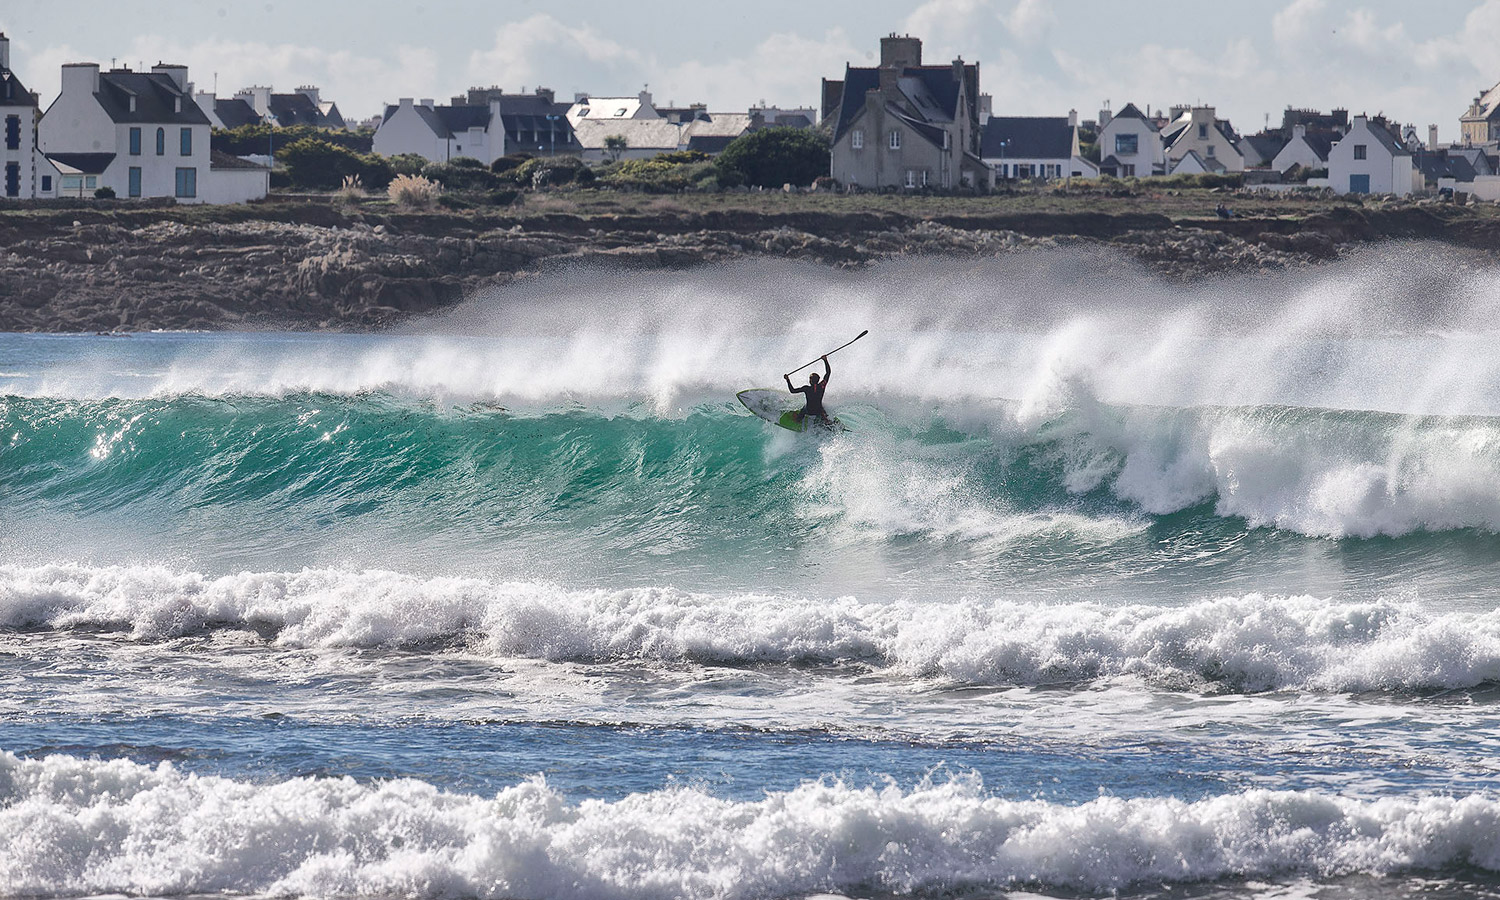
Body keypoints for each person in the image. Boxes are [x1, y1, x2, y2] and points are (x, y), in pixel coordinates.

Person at [785, 355, 831, 426]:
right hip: (818, 411)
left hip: (809, 411)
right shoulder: (822, 386)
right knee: (821, 408)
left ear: (810, 381)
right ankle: (825, 420)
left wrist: (787, 380)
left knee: (804, 408)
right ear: (818, 380)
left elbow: (792, 390)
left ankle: (798, 419)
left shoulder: (806, 388)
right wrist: (825, 360)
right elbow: (828, 373)